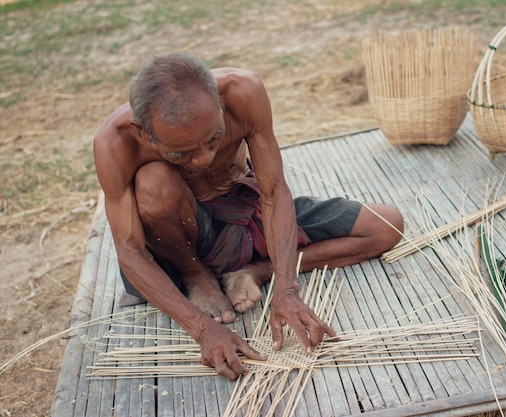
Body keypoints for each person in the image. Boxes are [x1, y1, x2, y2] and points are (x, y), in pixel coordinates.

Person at [93, 52, 404, 380]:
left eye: (214, 138)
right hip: (182, 240)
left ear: (219, 102)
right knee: (154, 183)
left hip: (247, 213)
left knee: (385, 225)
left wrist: (285, 287)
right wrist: (203, 330)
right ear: (144, 134)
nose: (202, 159)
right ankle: (197, 276)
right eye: (180, 153)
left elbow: (273, 193)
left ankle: (254, 270)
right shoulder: (115, 142)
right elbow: (130, 252)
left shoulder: (243, 91)